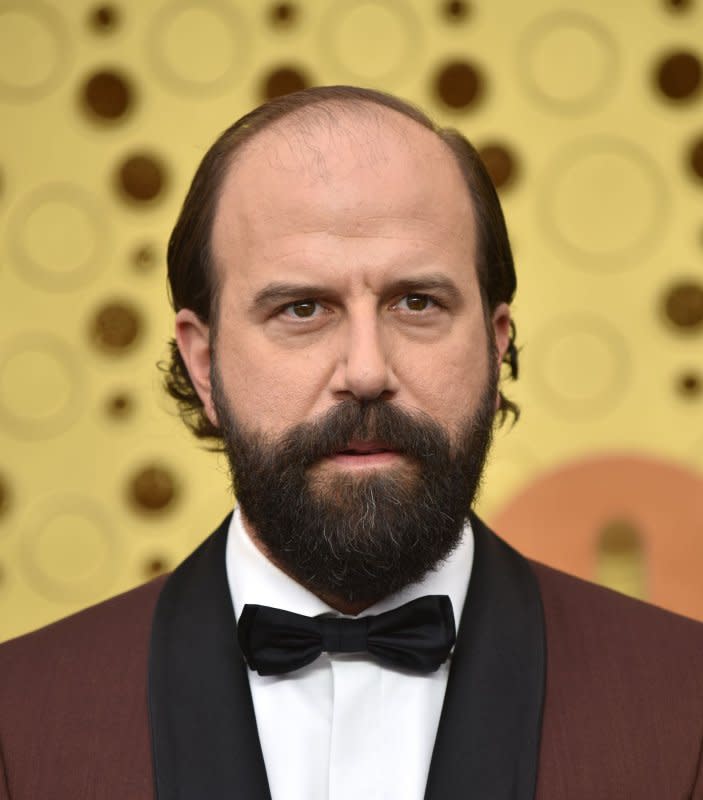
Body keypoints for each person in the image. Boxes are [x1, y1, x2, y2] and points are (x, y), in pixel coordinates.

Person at [1, 86, 702, 800]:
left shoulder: (685, 707)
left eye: (416, 303)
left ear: (496, 350)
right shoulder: (19, 723)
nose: (366, 371)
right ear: (203, 364)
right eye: (301, 308)